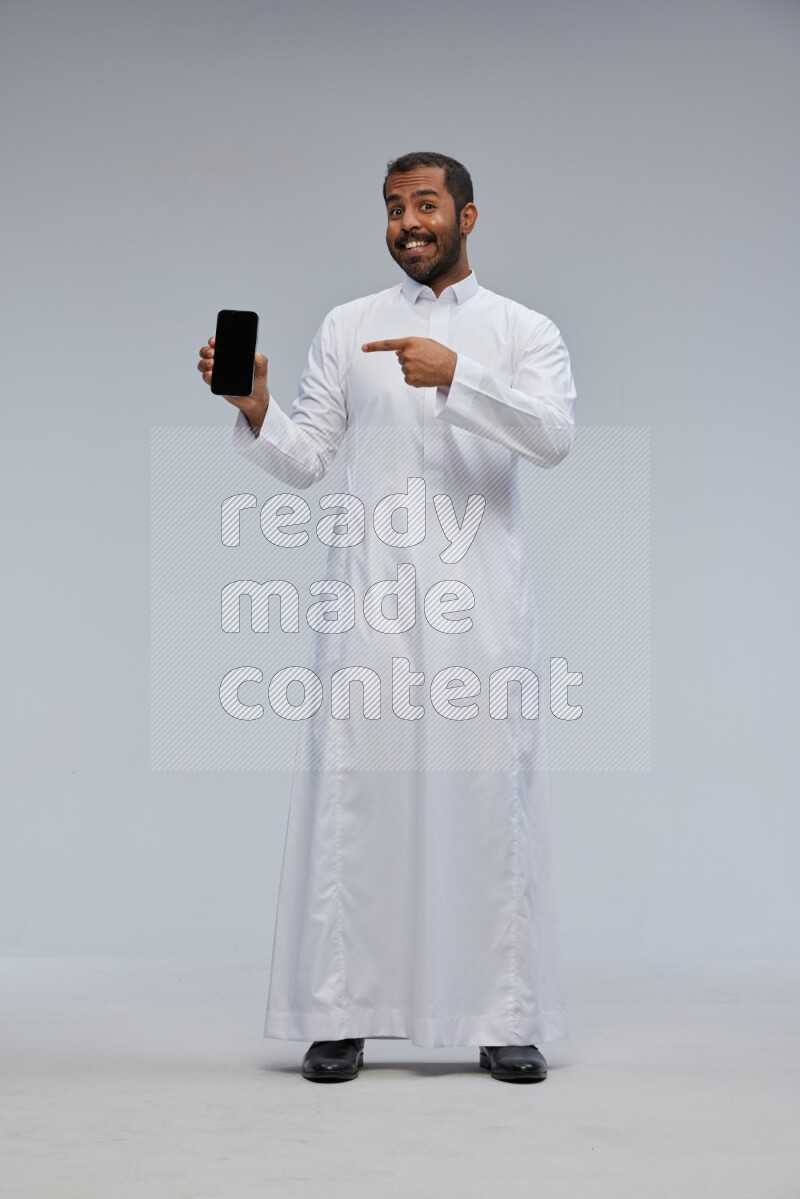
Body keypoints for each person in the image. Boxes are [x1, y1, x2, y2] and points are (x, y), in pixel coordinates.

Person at [197, 151, 577, 1084]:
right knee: (355, 799)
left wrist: (459, 377)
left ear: (468, 217)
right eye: (394, 208)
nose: (408, 222)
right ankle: (340, 1011)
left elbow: (555, 436)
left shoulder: (522, 330)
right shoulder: (348, 326)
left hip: (478, 605)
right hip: (368, 600)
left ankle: (503, 1014)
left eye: (426, 205)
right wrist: (256, 407)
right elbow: (304, 457)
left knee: (489, 797)